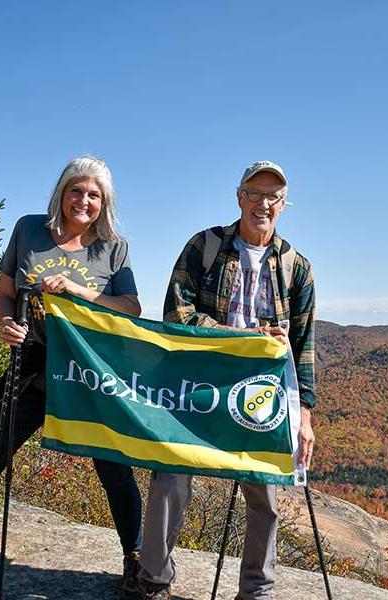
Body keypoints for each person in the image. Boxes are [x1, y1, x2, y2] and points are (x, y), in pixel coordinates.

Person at [0, 156, 144, 600]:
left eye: (94, 194)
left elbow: (131, 308)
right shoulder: (29, 230)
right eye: (76, 190)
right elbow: (4, 293)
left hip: (86, 373)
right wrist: (4, 324)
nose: (84, 201)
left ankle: (136, 562)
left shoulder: (113, 247)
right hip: (30, 368)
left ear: (104, 202)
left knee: (115, 472)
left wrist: (80, 291)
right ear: (61, 192)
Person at [134, 160, 317, 600]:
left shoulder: (297, 268)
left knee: (266, 494)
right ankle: (154, 580)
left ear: (284, 204)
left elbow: (304, 343)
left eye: (273, 197)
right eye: (255, 193)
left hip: (261, 394)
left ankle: (256, 591)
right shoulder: (205, 247)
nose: (263, 204)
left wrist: (305, 414)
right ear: (239, 197)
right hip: (197, 385)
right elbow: (177, 317)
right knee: (169, 480)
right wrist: (243, 337)